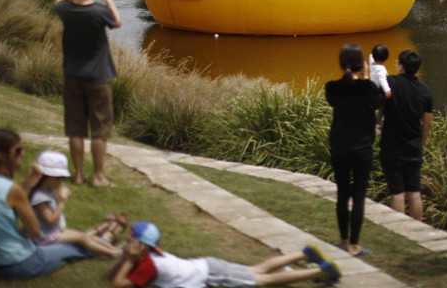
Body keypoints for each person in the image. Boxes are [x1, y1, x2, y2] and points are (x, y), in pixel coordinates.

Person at [0, 129, 90, 279]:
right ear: (1, 156)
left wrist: (27, 185)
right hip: (14, 264)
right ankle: (106, 242)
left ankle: (97, 237)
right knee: (71, 248)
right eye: (18, 151)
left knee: (70, 246)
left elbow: (4, 209)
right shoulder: (13, 190)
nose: (23, 154)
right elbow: (35, 231)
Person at [105, 221, 341, 287]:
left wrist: (127, 258)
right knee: (258, 269)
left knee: (264, 280)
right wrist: (128, 258)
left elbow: (117, 283)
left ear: (143, 246)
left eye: (131, 240)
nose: (127, 243)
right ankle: (303, 254)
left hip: (211, 274)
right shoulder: (152, 257)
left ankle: (321, 271)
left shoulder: (148, 265)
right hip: (207, 266)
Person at [54, 0, 122, 187]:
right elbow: (117, 22)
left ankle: (78, 175)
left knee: (75, 128)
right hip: (99, 77)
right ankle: (98, 176)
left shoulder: (66, 10)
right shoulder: (99, 11)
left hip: (72, 75)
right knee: (99, 129)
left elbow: (58, 2)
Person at [325, 44, 386, 256]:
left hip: (340, 146)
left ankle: (343, 242)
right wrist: (365, 76)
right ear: (361, 64)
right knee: (359, 195)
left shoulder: (332, 88)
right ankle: (354, 244)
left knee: (342, 194)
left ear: (341, 63)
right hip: (362, 147)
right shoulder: (368, 88)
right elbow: (379, 102)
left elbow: (334, 101)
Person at [28, 150, 123, 258]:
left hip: (53, 231)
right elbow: (50, 221)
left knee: (84, 235)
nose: (61, 181)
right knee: (83, 239)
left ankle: (114, 249)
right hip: (45, 237)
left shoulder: (48, 190)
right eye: (59, 178)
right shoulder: (40, 197)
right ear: (49, 177)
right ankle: (113, 253)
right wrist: (62, 202)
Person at [379, 50, 433, 221]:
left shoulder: (390, 83)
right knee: (414, 192)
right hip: (414, 146)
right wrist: (421, 142)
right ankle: (417, 228)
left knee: (397, 192)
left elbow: (376, 100)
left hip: (392, 145)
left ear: (401, 66)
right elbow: (427, 121)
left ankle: (399, 229)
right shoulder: (424, 90)